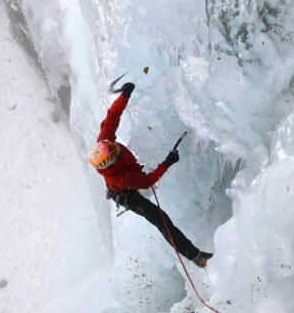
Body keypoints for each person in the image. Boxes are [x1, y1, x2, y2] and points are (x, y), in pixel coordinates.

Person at [89, 81, 213, 268]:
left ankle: (196, 256)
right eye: (113, 149)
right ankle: (196, 256)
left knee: (161, 219)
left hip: (127, 180)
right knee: (161, 220)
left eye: (112, 144)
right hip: (127, 196)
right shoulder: (121, 178)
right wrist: (166, 164)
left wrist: (124, 96)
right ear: (111, 160)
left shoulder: (104, 142)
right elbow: (147, 181)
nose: (114, 144)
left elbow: (113, 115)